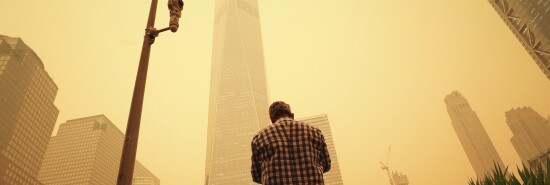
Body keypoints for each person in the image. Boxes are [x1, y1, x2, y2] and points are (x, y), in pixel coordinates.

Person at [251, 101, 331, 184]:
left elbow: (256, 175)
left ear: (272, 119)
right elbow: (326, 164)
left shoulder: (259, 138)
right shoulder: (315, 132)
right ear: (292, 115)